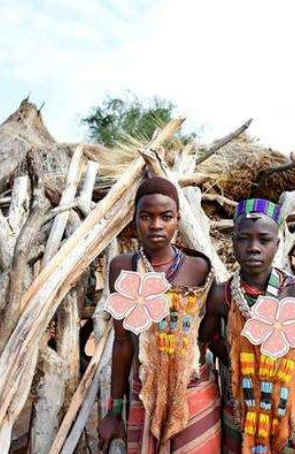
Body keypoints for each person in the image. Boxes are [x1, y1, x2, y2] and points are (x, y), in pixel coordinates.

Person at [99, 177, 221, 454]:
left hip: (194, 389)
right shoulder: (123, 268)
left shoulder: (198, 267)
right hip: (145, 390)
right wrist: (115, 409)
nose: (156, 225)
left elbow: (210, 333)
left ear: (178, 219)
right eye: (146, 216)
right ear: (135, 219)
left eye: (166, 217)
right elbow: (122, 342)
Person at [200, 198, 295, 454]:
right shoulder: (222, 296)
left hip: (291, 420)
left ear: (278, 244)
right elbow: (203, 343)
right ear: (233, 243)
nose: (253, 248)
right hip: (240, 421)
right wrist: (240, 359)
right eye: (244, 239)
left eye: (264, 239)